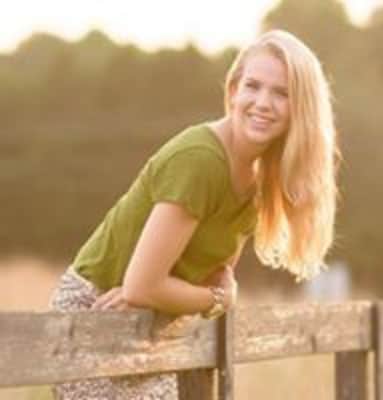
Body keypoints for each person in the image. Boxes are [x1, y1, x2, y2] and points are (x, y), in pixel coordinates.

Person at [48, 29, 340, 399]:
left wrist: (185, 294)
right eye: (252, 86)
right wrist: (220, 300)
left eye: (282, 93)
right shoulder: (200, 159)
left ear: (302, 107)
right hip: (95, 311)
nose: (263, 102)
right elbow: (146, 286)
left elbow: (207, 278)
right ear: (233, 91)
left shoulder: (256, 182)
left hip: (155, 324)